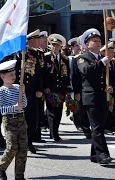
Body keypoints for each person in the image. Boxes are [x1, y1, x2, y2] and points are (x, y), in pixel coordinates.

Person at [77, 28, 113, 164]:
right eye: (94, 41)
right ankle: (102, 154)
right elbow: (87, 71)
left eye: (99, 41)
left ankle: (94, 154)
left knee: (101, 127)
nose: (98, 43)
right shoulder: (83, 58)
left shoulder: (105, 59)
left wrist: (111, 87)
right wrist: (103, 62)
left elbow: (112, 75)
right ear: (87, 44)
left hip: (103, 97)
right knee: (97, 127)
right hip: (91, 98)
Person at [0, 60, 28, 180]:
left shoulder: (18, 87)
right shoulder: (1, 91)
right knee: (12, 148)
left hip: (21, 120)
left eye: (14, 74)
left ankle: (19, 175)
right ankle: (2, 166)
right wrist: (13, 107)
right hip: (10, 121)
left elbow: (24, 104)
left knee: (23, 149)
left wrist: (23, 93)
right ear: (3, 76)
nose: (13, 77)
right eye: (10, 75)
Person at [44, 34, 72, 141]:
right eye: (53, 45)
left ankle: (55, 130)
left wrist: (68, 88)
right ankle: (53, 133)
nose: (55, 47)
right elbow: (43, 74)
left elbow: (67, 74)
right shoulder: (46, 57)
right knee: (51, 111)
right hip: (50, 89)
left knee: (58, 111)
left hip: (61, 89)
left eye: (57, 45)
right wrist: (45, 87)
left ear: (61, 47)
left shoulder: (64, 59)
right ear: (50, 46)